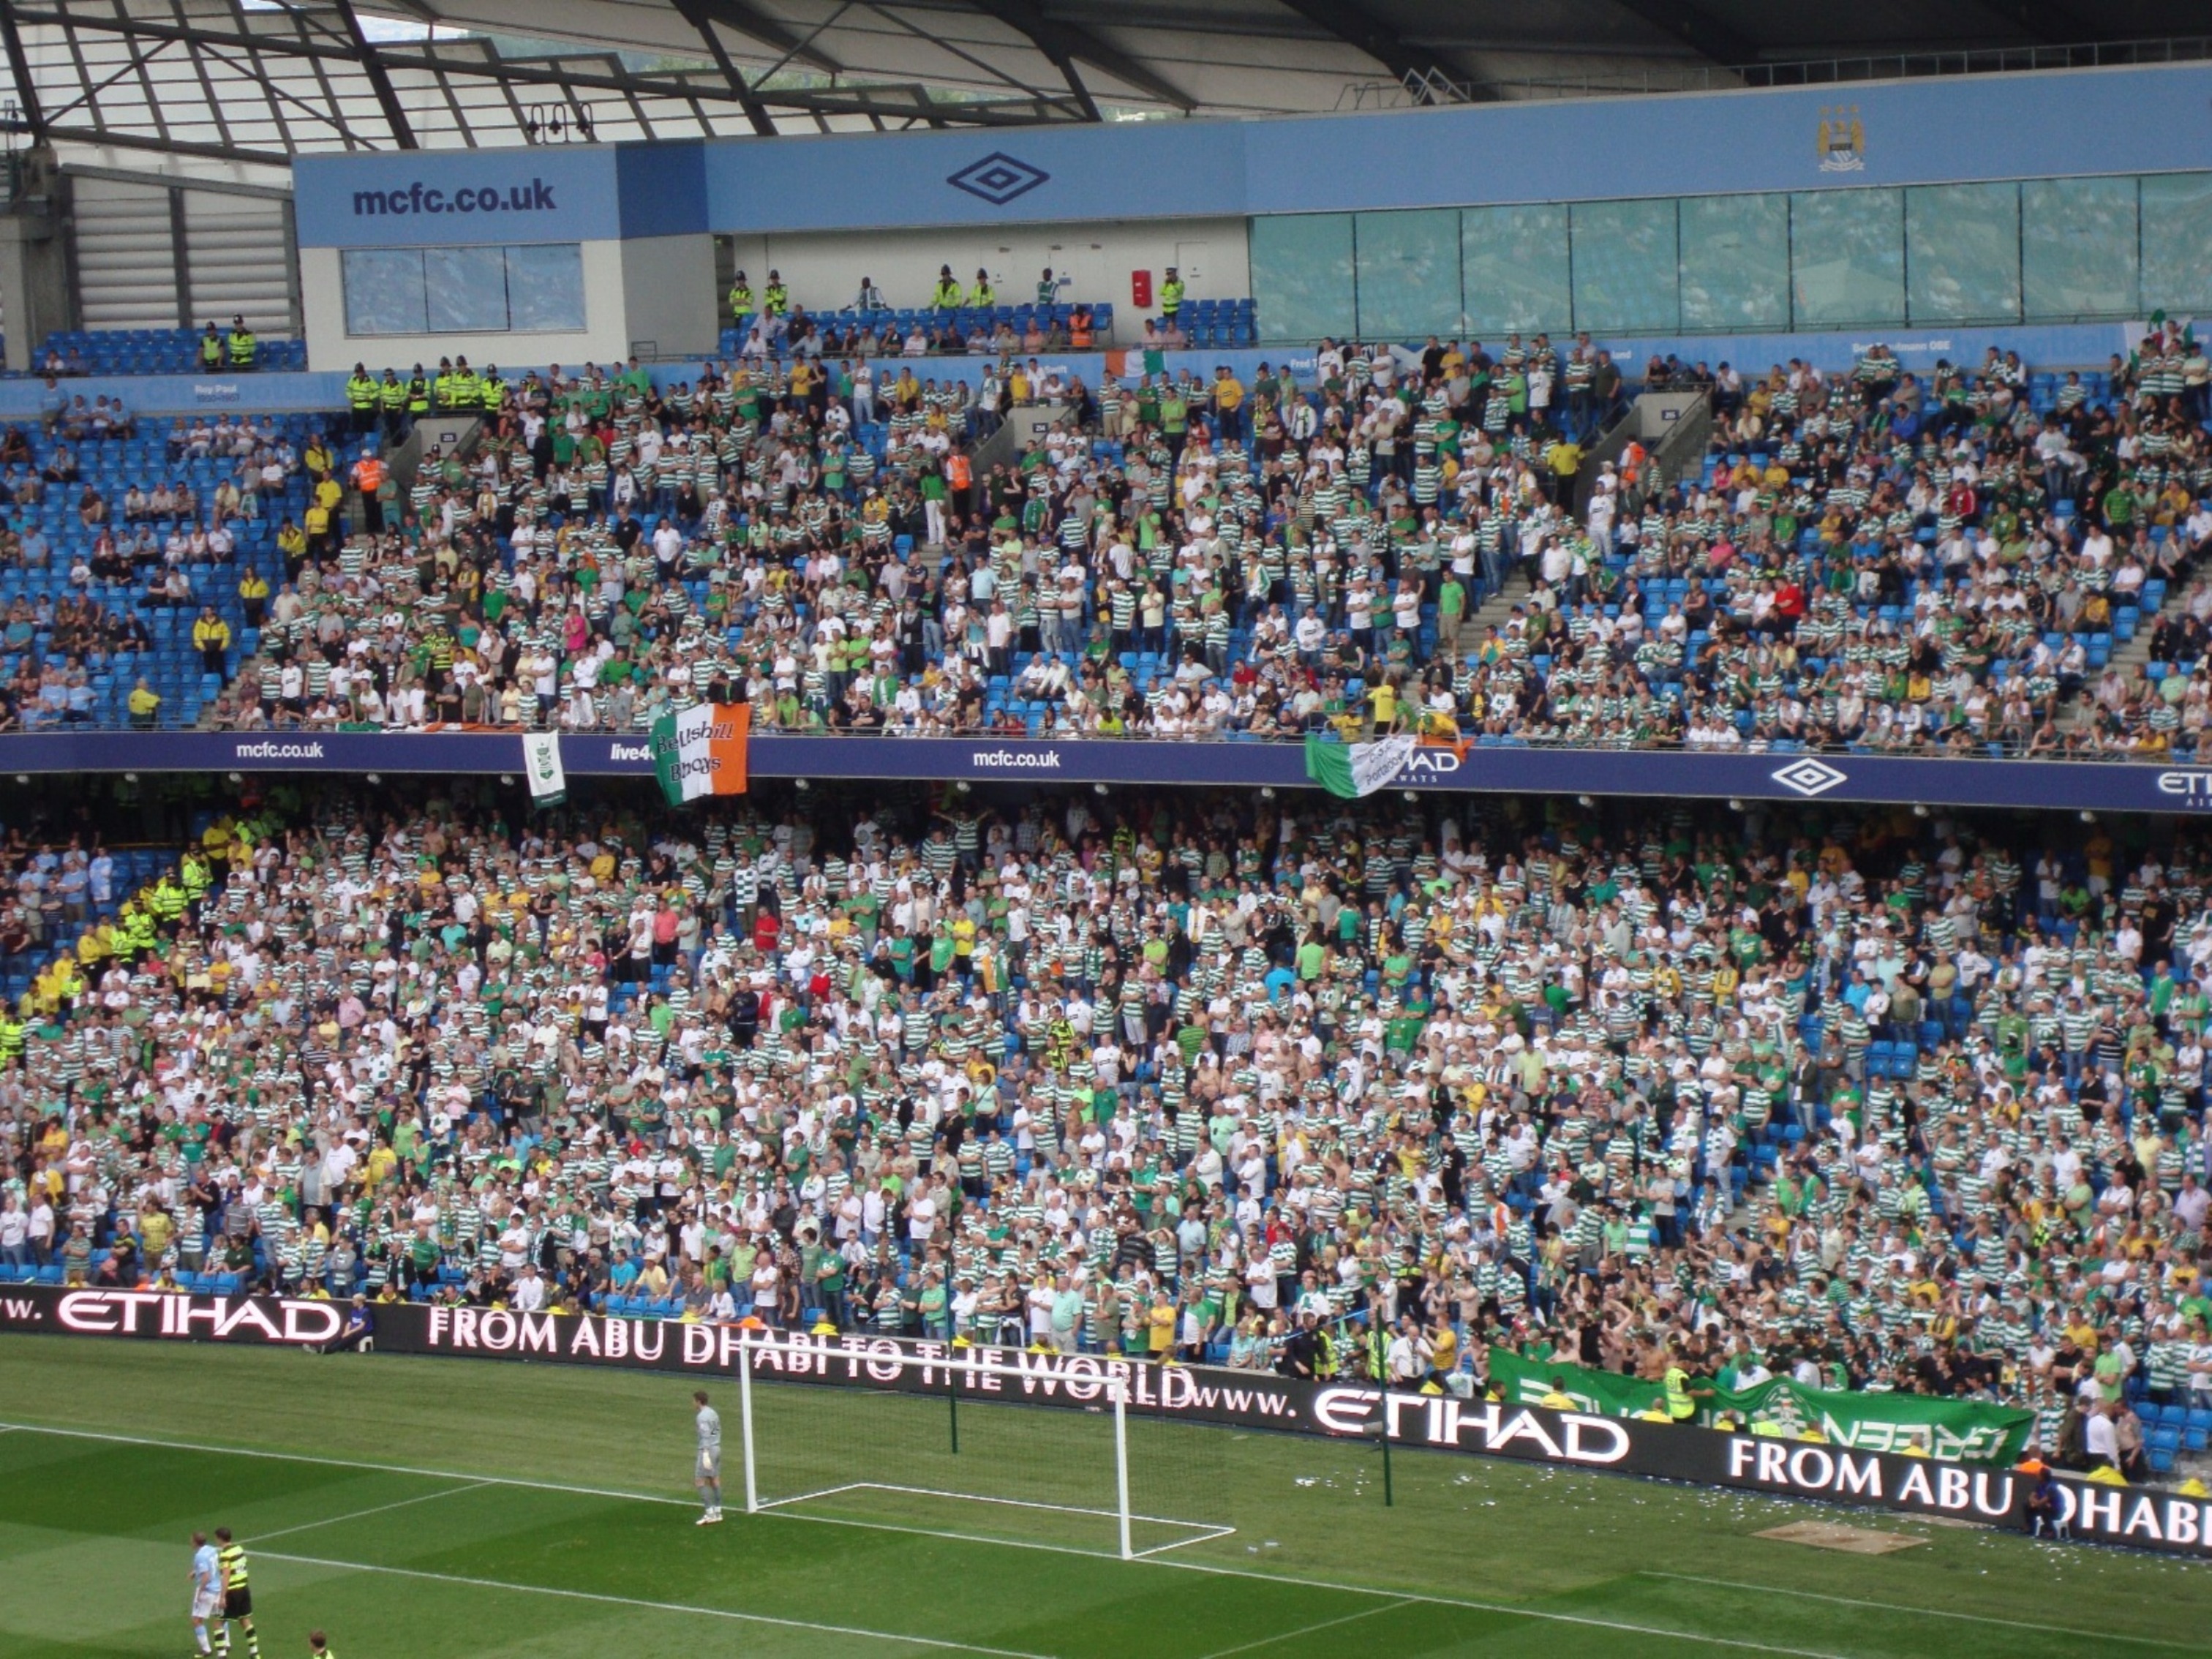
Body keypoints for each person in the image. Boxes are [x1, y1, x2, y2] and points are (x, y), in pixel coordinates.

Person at [214, 1527, 257, 1659]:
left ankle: (222, 1655)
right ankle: (254, 1652)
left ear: (220, 1538)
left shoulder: (225, 1554)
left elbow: (226, 1575)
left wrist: (222, 1597)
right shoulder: (239, 1549)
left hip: (232, 1591)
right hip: (244, 1589)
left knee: (218, 1621)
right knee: (245, 1620)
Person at [190, 1530, 223, 1657]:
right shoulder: (211, 1549)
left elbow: (206, 1576)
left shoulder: (199, 1556)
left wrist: (200, 1592)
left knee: (197, 1620)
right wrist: (195, 1572)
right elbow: (213, 1565)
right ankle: (226, 1644)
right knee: (219, 1618)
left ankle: (206, 1649)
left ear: (195, 1542)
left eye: (191, 1540)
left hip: (207, 1591)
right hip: (218, 1589)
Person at [693, 1389, 723, 1524]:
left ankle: (709, 1513)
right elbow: (716, 1430)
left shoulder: (702, 1417)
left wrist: (705, 1453)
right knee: (714, 1480)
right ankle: (718, 1512)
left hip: (708, 1450)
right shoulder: (713, 1413)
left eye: (694, 1401)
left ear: (698, 1401)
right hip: (717, 1447)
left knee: (699, 1481)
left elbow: (705, 1435)